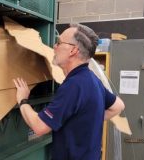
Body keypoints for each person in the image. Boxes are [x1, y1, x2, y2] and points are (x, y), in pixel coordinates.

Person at [13, 23, 125, 160]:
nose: (54, 46)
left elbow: (39, 127)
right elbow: (118, 106)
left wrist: (23, 100)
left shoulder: (74, 86)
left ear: (73, 51)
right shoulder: (92, 79)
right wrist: (87, 119)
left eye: (59, 42)